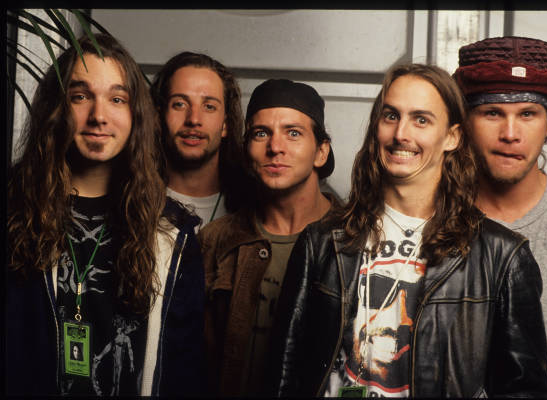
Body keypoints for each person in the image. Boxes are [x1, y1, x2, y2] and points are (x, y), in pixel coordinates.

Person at [268, 64, 547, 397]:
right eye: (391, 116)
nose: (401, 134)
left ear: (452, 137)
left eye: (421, 120)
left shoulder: (502, 256)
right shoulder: (321, 241)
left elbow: (525, 391)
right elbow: (282, 374)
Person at [6, 34, 205, 396]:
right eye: (80, 96)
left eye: (117, 99)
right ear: (56, 108)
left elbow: (184, 371)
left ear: (135, 114)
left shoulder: (172, 232)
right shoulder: (13, 210)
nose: (99, 116)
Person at [453, 36, 547, 399]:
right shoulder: (433, 225)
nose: (510, 134)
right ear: (464, 123)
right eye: (492, 113)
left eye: (527, 114)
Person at [198, 78, 339, 396]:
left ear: (321, 152)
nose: (275, 147)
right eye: (261, 133)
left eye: (293, 133)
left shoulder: (356, 242)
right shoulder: (215, 242)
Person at [150, 52, 244, 232]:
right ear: (158, 118)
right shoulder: (132, 200)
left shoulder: (252, 208)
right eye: (179, 104)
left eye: (209, 106)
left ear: (226, 124)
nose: (193, 119)